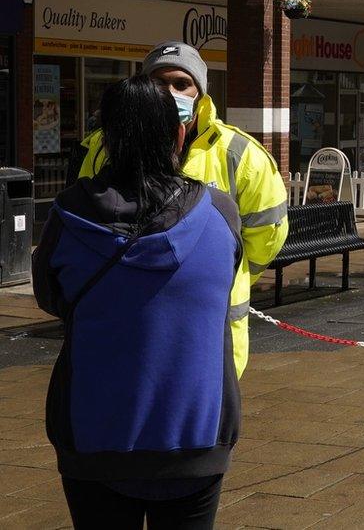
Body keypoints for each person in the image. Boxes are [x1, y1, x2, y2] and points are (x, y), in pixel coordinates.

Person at [34, 75, 242, 529]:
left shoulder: (68, 215)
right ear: (179, 133)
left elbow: (52, 297)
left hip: (95, 433)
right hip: (197, 434)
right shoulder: (222, 213)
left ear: (105, 138)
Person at [74, 41, 288, 378]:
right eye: (159, 83)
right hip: (129, 323)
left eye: (181, 84)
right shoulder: (103, 149)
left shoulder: (240, 153)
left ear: (200, 93)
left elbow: (266, 234)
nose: (170, 93)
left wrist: (227, 275)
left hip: (211, 332)